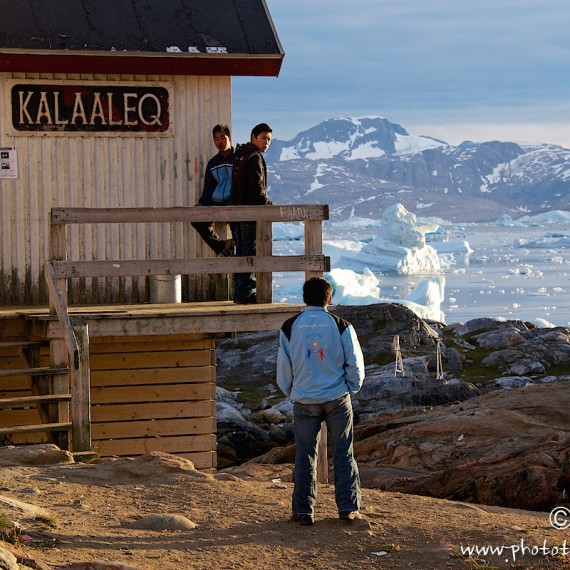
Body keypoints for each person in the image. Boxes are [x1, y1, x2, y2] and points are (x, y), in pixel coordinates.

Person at [276, 277, 365, 526]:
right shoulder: (341, 326)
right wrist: (351, 388)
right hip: (336, 397)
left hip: (304, 399)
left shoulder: (290, 327)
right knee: (343, 453)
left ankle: (303, 511)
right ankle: (347, 508)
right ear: (329, 298)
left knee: (305, 455)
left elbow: (284, 369)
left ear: (304, 298)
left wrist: (292, 391)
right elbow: (355, 364)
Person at [230, 122, 273, 304]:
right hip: (250, 213)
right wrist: (267, 204)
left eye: (269, 139)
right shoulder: (254, 157)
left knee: (241, 252)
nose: (266, 142)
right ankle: (246, 293)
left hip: (238, 213)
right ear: (253, 137)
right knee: (250, 252)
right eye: (263, 138)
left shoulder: (241, 155)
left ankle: (240, 293)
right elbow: (257, 187)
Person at [191, 124, 235, 257]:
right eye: (216, 139)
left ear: (230, 138)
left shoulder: (238, 159)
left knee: (239, 226)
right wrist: (202, 204)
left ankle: (238, 254)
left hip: (234, 202)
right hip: (218, 202)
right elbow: (209, 188)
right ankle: (222, 247)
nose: (219, 142)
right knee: (196, 218)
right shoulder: (213, 163)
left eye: (222, 138)